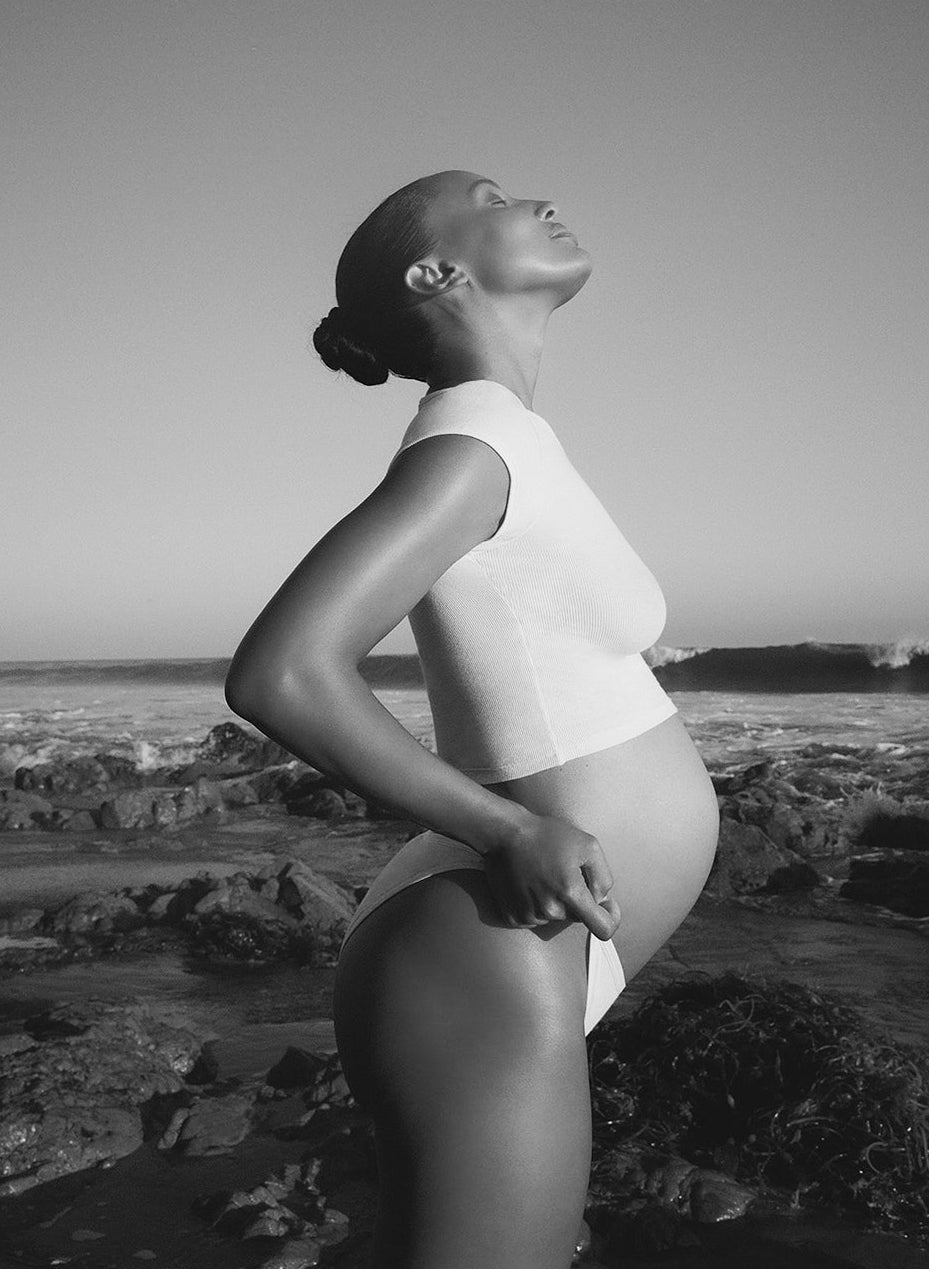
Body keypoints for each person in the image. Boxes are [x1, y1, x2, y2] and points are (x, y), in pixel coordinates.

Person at [224, 169, 720, 1269]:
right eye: (493, 195)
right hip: (485, 947)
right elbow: (283, 671)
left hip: (512, 946)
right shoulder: (470, 451)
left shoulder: (502, 438)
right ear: (435, 272)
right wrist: (508, 831)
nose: (537, 196)